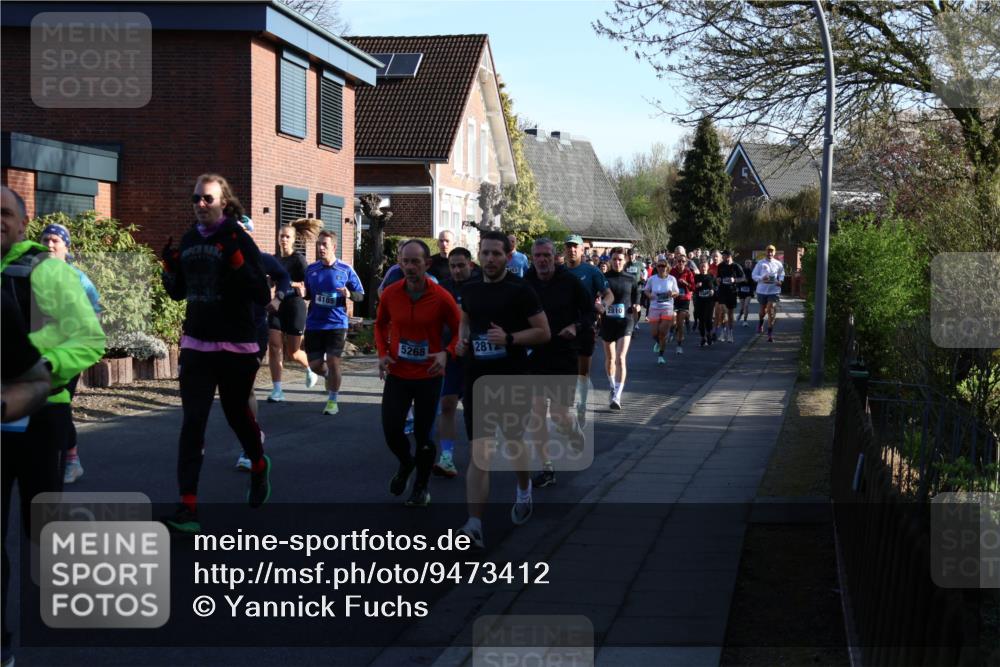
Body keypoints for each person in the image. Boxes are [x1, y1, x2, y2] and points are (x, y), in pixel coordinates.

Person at [1, 186, 105, 655]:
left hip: (43, 414)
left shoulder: (47, 271)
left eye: (5, 212)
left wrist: (40, 370)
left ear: (24, 223)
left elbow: (89, 340)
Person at [160, 174, 271, 533]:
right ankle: (187, 507)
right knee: (193, 422)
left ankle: (258, 464)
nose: (200, 204)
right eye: (196, 198)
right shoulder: (189, 239)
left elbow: (261, 294)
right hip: (197, 344)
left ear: (224, 201)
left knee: (237, 415)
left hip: (236, 345)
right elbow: (178, 293)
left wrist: (238, 264)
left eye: (207, 198)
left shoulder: (239, 238)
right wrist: (169, 269)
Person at [456, 231, 550, 549]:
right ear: (478, 255)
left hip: (512, 377)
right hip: (477, 378)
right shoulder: (470, 288)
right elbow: (465, 320)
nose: (490, 259)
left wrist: (510, 339)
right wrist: (462, 339)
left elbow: (543, 332)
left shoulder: (521, 290)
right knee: (480, 453)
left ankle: (524, 488)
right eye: (485, 253)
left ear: (508, 257)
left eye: (496, 253)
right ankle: (474, 524)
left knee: (513, 444)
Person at [376, 239, 460, 507]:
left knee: (424, 436)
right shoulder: (391, 294)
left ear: (427, 264)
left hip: (429, 375)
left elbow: (460, 330)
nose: (410, 267)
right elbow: (380, 325)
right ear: (399, 263)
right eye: (405, 261)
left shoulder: (441, 297)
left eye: (415, 261)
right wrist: (382, 353)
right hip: (398, 373)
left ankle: (421, 487)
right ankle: (405, 463)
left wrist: (447, 353)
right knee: (392, 431)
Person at [38, 223, 102, 485]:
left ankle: (70, 462)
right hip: (39, 353)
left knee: (58, 407)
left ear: (66, 246)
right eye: (45, 240)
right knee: (42, 409)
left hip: (67, 355)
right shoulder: (31, 273)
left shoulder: (79, 279)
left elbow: (95, 315)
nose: (49, 244)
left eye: (55, 240)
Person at [524, 238, 590, 488]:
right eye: (538, 255)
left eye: (546, 255)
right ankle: (546, 467)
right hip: (536, 354)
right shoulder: (526, 282)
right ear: (532, 258)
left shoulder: (569, 281)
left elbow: (590, 312)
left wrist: (576, 326)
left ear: (554, 257)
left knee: (560, 414)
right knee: (537, 411)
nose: (542, 260)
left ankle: (572, 430)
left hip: (564, 352)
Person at [234, 248, 292, 471]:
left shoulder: (260, 258)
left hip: (254, 330)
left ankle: (249, 448)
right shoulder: (218, 258)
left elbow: (284, 276)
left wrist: (278, 298)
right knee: (235, 392)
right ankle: (253, 433)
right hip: (228, 332)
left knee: (244, 387)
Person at [303, 230, 364, 415]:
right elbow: (308, 294)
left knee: (333, 360)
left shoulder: (345, 269)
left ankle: (332, 400)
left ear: (334, 247)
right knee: (314, 365)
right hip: (314, 323)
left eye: (325, 245)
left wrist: (349, 294)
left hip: (337, 323)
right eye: (319, 244)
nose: (321, 248)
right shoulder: (311, 269)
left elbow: (360, 295)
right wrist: (300, 292)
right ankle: (328, 376)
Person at [433, 247, 479, 478]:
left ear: (470, 264)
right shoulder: (442, 288)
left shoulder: (481, 285)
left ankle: (479, 457)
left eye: (461, 265)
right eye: (453, 266)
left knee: (475, 409)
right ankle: (446, 457)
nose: (457, 270)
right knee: (447, 404)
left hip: (477, 355)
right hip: (450, 352)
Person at [266, 218, 322, 403]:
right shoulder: (274, 259)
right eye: (281, 236)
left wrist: (295, 284)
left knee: (294, 352)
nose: (284, 239)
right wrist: (267, 280)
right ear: (277, 238)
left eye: (287, 237)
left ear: (293, 239)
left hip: (295, 307)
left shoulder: (298, 259)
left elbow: (308, 283)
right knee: (274, 346)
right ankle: (277, 390)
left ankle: (310, 369)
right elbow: (271, 282)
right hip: (277, 306)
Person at [563, 235, 612, 422]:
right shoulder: (558, 272)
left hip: (585, 326)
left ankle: (582, 404)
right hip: (564, 327)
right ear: (565, 249)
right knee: (566, 369)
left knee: (582, 372)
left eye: (575, 247)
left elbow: (609, 294)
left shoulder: (591, 271)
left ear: (582, 250)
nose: (572, 250)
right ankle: (566, 407)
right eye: (569, 246)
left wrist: (603, 306)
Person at [600, 248, 639, 409]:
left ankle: (617, 396)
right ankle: (612, 385)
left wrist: (637, 305)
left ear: (625, 261)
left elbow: (636, 295)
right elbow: (597, 295)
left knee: (621, 358)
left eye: (620, 259)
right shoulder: (603, 278)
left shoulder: (631, 278)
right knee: (610, 358)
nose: (617, 262)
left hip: (625, 321)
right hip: (608, 322)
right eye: (615, 259)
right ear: (610, 260)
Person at [642, 257, 678, 365]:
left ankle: (661, 356)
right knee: (654, 333)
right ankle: (658, 342)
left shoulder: (671, 279)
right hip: (654, 307)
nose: (661, 268)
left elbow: (676, 292)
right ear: (656, 267)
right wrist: (650, 295)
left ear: (667, 267)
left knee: (662, 333)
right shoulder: (652, 279)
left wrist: (672, 294)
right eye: (659, 266)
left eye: (663, 266)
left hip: (667, 307)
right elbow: (646, 290)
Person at [752, 244, 785, 343]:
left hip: (774, 291)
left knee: (771, 311)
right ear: (765, 252)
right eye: (768, 251)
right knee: (762, 311)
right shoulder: (760, 263)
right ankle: (761, 322)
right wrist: (761, 278)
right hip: (762, 290)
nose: (770, 253)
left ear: (774, 253)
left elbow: (782, 274)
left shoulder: (778, 263)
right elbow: (754, 275)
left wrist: (780, 281)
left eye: (772, 251)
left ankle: (770, 333)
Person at [715, 250, 745, 343]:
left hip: (732, 292)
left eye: (724, 256)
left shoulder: (736, 266)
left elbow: (743, 278)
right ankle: (723, 331)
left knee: (730, 314)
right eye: (722, 256)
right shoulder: (720, 266)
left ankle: (730, 333)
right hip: (722, 291)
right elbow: (718, 277)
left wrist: (734, 280)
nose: (722, 258)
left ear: (729, 256)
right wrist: (718, 280)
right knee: (723, 311)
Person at [669, 253, 695, 355]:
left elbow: (693, 287)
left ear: (686, 262)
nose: (680, 263)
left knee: (680, 324)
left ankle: (679, 346)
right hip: (675, 298)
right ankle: (672, 329)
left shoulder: (688, 272)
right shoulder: (672, 271)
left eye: (683, 261)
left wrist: (686, 283)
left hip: (684, 299)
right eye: (679, 261)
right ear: (676, 261)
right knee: (673, 317)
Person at [693, 258, 718, 347]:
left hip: (709, 301)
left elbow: (716, 287)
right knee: (701, 319)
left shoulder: (711, 276)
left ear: (708, 267)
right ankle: (703, 337)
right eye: (701, 267)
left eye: (704, 266)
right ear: (699, 268)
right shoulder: (696, 277)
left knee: (708, 318)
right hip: (699, 301)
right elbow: (692, 288)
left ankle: (709, 334)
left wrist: (713, 290)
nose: (703, 268)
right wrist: (696, 286)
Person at [738, 258, 756, 326]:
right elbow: (737, 280)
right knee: (742, 307)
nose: (748, 264)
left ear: (751, 264)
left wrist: (752, 282)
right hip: (741, 291)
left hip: (749, 291)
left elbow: (755, 282)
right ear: (745, 264)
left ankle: (745, 321)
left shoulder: (753, 272)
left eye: (749, 263)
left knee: (746, 306)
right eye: (746, 263)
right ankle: (740, 313)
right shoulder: (741, 271)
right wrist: (742, 280)